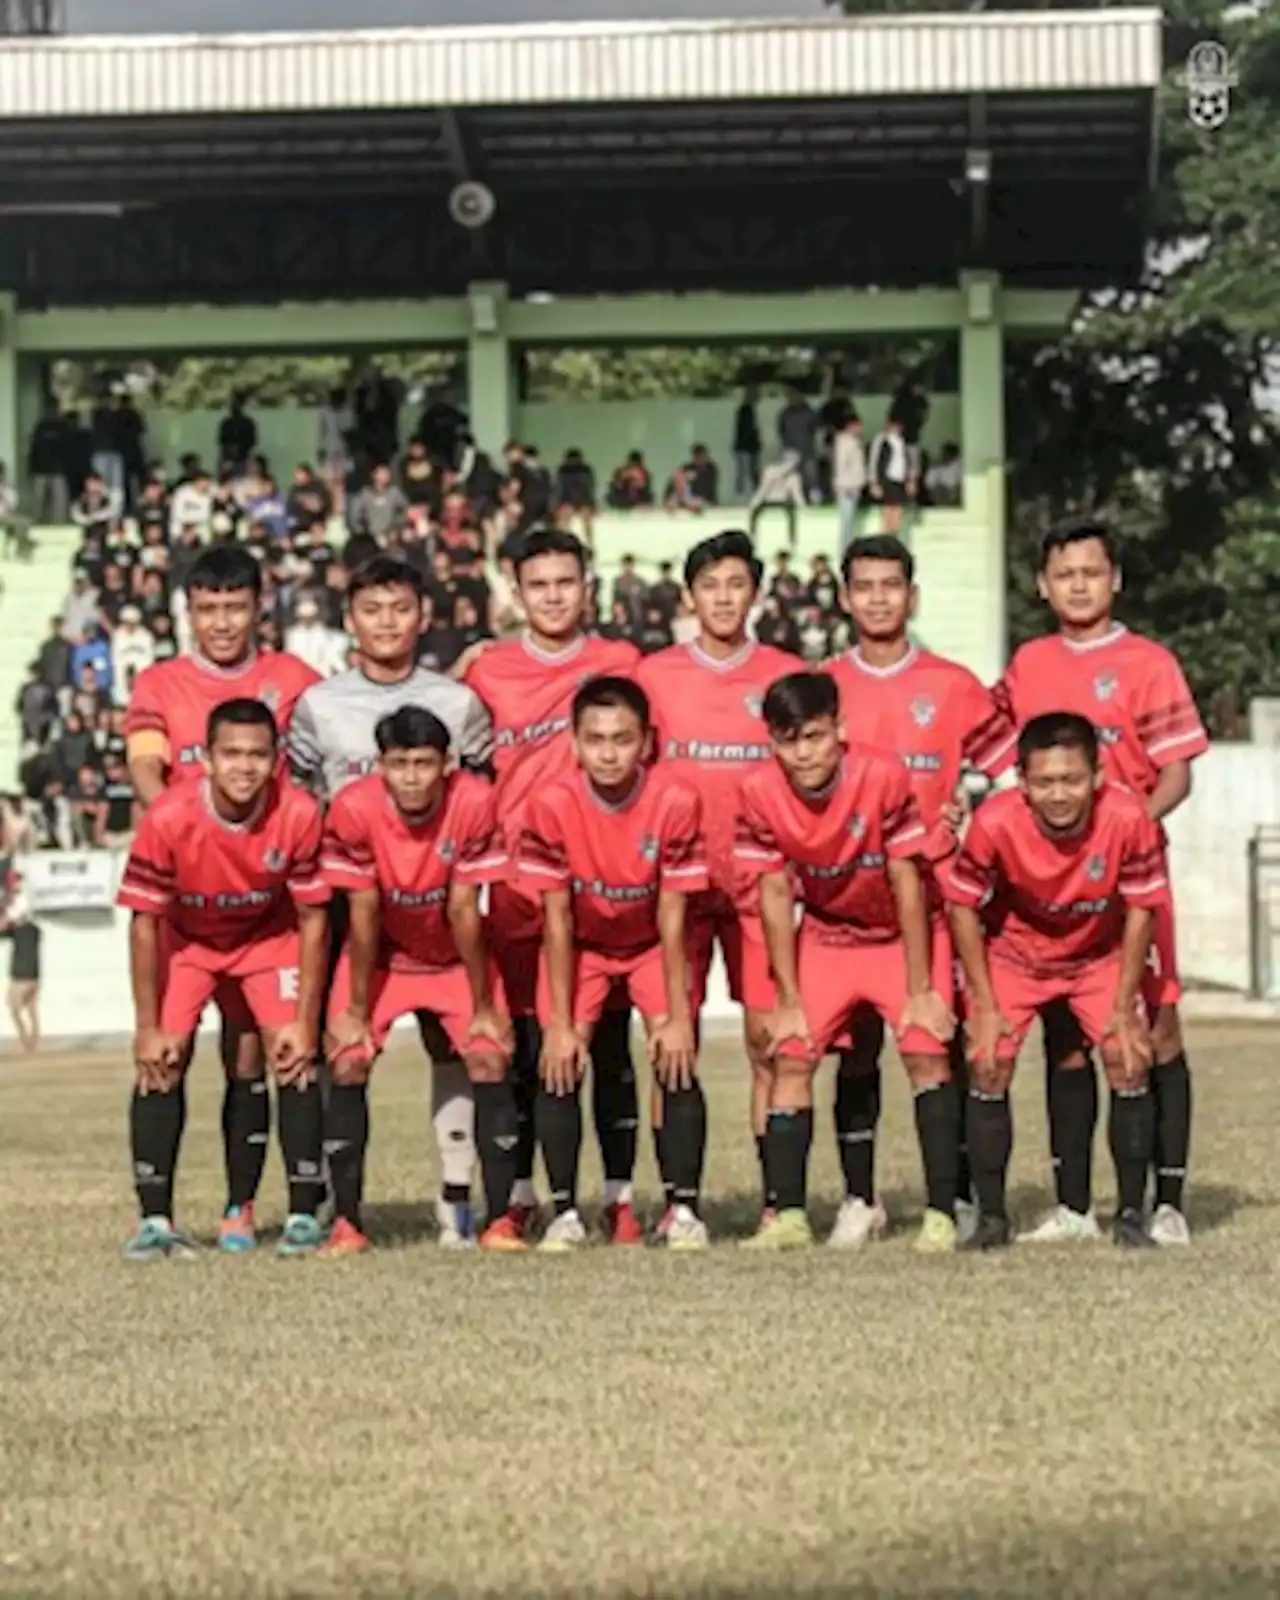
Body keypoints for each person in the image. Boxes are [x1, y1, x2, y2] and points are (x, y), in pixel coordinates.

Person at [993, 518, 1207, 1246]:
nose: (1078, 584)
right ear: (1042, 585)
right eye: (1064, 573)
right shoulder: (1029, 663)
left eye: (1092, 571)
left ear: (1115, 579)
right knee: (1068, 1038)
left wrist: (1128, 833)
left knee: (1155, 1031)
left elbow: (1176, 768)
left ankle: (1166, 1201)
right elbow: (992, 746)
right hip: (1051, 890)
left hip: (1132, 883)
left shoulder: (1149, 662)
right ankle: (1074, 1204)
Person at [287, 554, 494, 1249]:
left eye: (399, 609)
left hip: (437, 895)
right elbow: (296, 799)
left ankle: (456, 1198)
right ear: (350, 620)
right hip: (348, 894)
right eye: (371, 610)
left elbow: (475, 798)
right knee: (338, 1044)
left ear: (422, 616)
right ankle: (329, 1204)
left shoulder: (458, 702)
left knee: (453, 1042)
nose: (386, 623)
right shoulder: (318, 705)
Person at [821, 535, 1017, 1248]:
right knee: (855, 1050)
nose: (878, 598)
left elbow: (1007, 771)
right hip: (842, 905)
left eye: (891, 585)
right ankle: (859, 1196)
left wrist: (971, 809)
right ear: (845, 598)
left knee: (942, 1045)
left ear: (913, 596)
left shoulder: (954, 684)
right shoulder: (823, 685)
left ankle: (956, 1194)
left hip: (934, 903)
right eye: (864, 586)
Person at [125, 544, 321, 1252]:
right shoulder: (159, 685)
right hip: (189, 915)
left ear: (258, 606)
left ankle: (247, 1209)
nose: (221, 622)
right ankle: (157, 1220)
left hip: (266, 919)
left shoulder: (294, 680)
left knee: (259, 1057)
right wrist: (193, 827)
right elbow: (147, 767)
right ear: (189, 611)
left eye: (235, 607)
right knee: (163, 1054)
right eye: (207, 609)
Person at [460, 527, 644, 1243]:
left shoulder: (622, 662)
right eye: (538, 585)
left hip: (603, 885)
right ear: (516, 591)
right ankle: (525, 1194)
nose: (554, 596)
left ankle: (621, 1196)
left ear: (587, 588)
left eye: (566, 583)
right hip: (515, 888)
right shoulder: (487, 671)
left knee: (607, 1046)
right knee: (532, 1049)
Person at [734, 672, 958, 1252]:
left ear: (841, 729)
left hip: (897, 937)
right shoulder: (757, 789)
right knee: (791, 1056)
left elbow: (907, 878)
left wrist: (919, 986)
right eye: (788, 740)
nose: (803, 753)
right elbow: (776, 894)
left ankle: (941, 1213)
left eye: (814, 736)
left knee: (924, 1052)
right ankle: (789, 1217)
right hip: (830, 938)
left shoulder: (881, 775)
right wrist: (786, 998)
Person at [943, 713, 1167, 1251]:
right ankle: (992, 1219)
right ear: (1021, 781)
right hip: (1017, 956)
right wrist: (986, 1004)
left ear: (1098, 775)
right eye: (1043, 782)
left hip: (1097, 955)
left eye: (1071, 779)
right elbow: (961, 907)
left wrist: (1121, 1005)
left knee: (1128, 1056)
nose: (1058, 794)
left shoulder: (1129, 817)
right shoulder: (995, 821)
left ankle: (1133, 1216)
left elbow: (1141, 910)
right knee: (988, 1059)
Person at [636, 530, 797, 1234]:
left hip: (761, 884)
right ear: (689, 597)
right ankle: (682, 1207)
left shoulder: (786, 676)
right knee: (673, 1039)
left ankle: (775, 1205)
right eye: (711, 586)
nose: (724, 597)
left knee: (769, 1039)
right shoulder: (655, 675)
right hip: (675, 886)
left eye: (736, 584)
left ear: (755, 592)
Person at [515, 677, 709, 1251]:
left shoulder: (675, 800)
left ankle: (683, 1210)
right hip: (583, 950)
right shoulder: (551, 804)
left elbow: (674, 915)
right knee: (560, 1057)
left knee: (675, 1054)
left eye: (622, 739)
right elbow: (556, 919)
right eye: (595, 739)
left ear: (646, 741)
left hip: (652, 942)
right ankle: (566, 1213)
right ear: (573, 742)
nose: (608, 752)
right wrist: (560, 1023)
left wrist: (674, 1014)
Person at [320, 707, 519, 1256]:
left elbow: (465, 909)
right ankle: (346, 1223)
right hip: (383, 960)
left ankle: (498, 1219)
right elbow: (362, 914)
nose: (411, 777)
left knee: (489, 1054)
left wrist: (483, 1006)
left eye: (424, 764)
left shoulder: (475, 802)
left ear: (447, 764)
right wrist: (357, 1011)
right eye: (400, 764)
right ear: (379, 765)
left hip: (454, 959)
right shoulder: (354, 808)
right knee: (348, 1058)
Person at [1, 872, 41, 1054]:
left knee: (13, 1005)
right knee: (31, 1007)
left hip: (21, 970)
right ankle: (34, 1041)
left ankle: (26, 1042)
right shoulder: (33, 927)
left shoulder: (18, 906)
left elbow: (6, 923)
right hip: (34, 970)